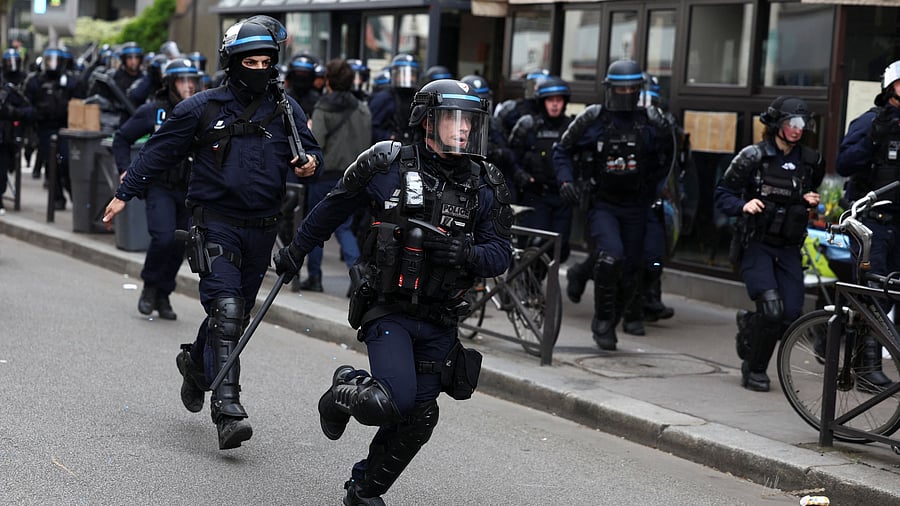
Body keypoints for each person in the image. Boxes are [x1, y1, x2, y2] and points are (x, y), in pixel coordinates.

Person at [274, 78, 512, 504]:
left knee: (420, 417)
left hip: (441, 317)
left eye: (469, 122)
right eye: (452, 120)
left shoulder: (486, 184)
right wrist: (295, 251)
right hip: (389, 307)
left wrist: (465, 251)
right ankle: (341, 390)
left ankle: (364, 490)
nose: (462, 130)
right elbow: (331, 207)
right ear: (426, 122)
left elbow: (501, 255)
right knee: (388, 400)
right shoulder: (385, 164)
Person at [102, 15, 323, 450]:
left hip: (263, 229)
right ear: (232, 63)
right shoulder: (200, 108)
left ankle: (196, 367)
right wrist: (124, 192)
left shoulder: (286, 109)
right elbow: (157, 151)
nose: (259, 69)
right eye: (250, 61)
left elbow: (311, 155)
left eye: (266, 61)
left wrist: (309, 164)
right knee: (225, 309)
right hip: (216, 223)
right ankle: (227, 411)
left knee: (233, 318)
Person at [552, 59, 674, 351]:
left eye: (632, 88)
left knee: (634, 269)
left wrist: (655, 191)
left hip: (638, 206)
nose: (626, 93)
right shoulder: (593, 119)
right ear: (610, 89)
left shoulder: (651, 121)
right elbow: (562, 150)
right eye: (621, 88)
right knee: (610, 258)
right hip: (603, 204)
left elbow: (668, 158)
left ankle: (616, 313)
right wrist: (566, 182)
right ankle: (603, 321)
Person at [714, 96, 823, 392]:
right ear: (776, 124)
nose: (797, 130)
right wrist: (743, 205)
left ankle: (751, 325)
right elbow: (722, 194)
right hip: (756, 244)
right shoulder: (753, 157)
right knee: (772, 310)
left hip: (788, 246)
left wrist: (810, 200)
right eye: (791, 123)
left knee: (789, 315)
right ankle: (754, 369)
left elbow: (807, 193)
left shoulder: (811, 161)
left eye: (802, 124)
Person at [112, 58, 201, 320]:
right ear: (170, 84)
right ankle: (150, 286)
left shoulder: (202, 111)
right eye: (183, 81)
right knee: (163, 238)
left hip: (189, 190)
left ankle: (164, 294)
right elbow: (122, 137)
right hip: (160, 186)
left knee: (180, 244)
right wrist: (124, 169)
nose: (189, 86)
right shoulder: (155, 111)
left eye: (192, 80)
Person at [835, 59, 900, 391]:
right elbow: (843, 163)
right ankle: (866, 369)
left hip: (899, 223)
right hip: (872, 222)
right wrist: (873, 139)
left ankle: (829, 331)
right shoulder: (871, 122)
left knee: (891, 293)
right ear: (891, 88)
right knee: (875, 294)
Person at [295, 59, 370, 293]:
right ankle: (358, 279)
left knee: (316, 226)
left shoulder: (323, 107)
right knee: (345, 228)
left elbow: (314, 143)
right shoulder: (362, 108)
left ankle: (314, 277)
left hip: (326, 175)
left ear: (328, 81)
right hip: (355, 176)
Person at [508, 76, 574, 261]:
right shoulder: (529, 125)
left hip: (562, 197)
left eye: (558, 101)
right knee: (534, 244)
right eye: (550, 100)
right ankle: (523, 283)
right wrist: (520, 174)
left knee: (560, 249)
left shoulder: (571, 128)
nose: (554, 105)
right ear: (542, 102)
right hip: (536, 195)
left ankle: (535, 283)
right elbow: (512, 156)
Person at [24, 46, 85, 210]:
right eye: (49, 60)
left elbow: (80, 104)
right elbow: (27, 105)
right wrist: (37, 112)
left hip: (65, 128)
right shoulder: (35, 81)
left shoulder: (71, 81)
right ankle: (57, 198)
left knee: (66, 163)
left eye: (55, 60)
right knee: (51, 165)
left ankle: (74, 196)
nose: (52, 64)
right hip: (45, 128)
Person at [0, 48, 33, 214]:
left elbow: (29, 109)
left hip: (10, 133)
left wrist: (14, 112)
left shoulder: (23, 82)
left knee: (7, 166)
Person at [369, 53, 420, 143]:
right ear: (395, 75)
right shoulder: (384, 98)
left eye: (412, 74)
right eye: (402, 74)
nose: (408, 78)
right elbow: (371, 127)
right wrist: (389, 136)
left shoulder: (418, 97)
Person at [285, 52, 321, 118]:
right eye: (298, 72)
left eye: (305, 73)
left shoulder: (316, 99)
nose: (301, 76)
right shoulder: (284, 97)